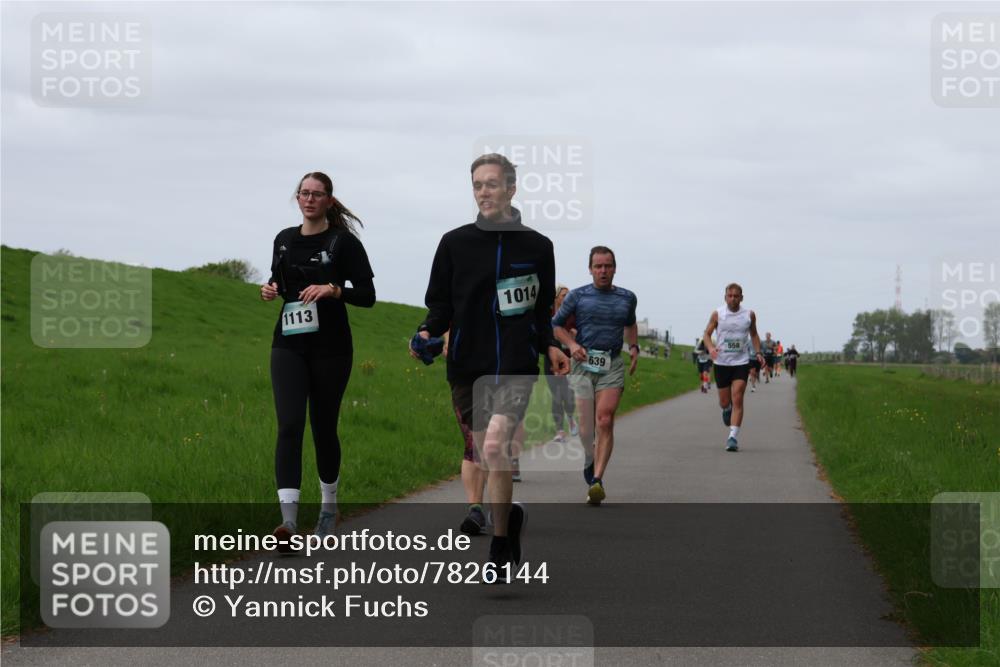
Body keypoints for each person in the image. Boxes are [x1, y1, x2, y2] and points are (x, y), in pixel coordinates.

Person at [410, 153, 569, 576]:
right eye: (478, 185)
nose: (484, 192)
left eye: (492, 184)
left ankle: (499, 546)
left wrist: (550, 345)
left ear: (511, 189)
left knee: (497, 445)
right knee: (486, 452)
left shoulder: (538, 247)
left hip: (516, 362)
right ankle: (508, 519)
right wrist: (426, 333)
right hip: (468, 365)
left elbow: (541, 311)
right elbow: (440, 306)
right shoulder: (454, 243)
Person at [260, 171, 376, 549]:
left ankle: (328, 507)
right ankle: (288, 522)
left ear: (328, 200)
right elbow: (280, 283)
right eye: (304, 193)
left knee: (323, 428)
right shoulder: (283, 239)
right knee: (289, 425)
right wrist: (270, 289)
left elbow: (368, 295)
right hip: (288, 344)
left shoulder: (343, 243)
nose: (309, 199)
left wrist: (334, 290)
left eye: (317, 194)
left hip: (331, 347)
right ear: (297, 198)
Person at [552, 246, 639, 505]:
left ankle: (597, 480)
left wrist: (634, 347)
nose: (603, 271)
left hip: (611, 364)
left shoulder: (627, 298)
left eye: (607, 266)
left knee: (605, 419)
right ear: (590, 269)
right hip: (582, 363)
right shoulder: (577, 296)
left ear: (615, 268)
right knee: (585, 427)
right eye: (598, 266)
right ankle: (590, 458)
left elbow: (630, 323)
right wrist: (572, 345)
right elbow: (556, 325)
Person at [702, 283, 763, 452]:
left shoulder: (749, 315)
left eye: (736, 296)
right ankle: (726, 408)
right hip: (721, 363)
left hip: (741, 362)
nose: (733, 299)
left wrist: (758, 352)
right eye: (730, 296)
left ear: (741, 298)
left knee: (738, 397)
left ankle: (733, 437)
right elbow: (706, 334)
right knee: (724, 402)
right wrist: (711, 348)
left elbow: (754, 334)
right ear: (725, 297)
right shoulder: (718, 314)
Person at [546, 285, 577, 443]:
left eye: (568, 295)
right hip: (551, 359)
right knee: (556, 395)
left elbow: (578, 332)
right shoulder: (548, 314)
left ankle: (570, 418)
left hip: (568, 359)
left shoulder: (571, 315)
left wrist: (574, 335)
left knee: (568, 394)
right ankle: (560, 431)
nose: (567, 297)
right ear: (557, 297)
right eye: (564, 295)